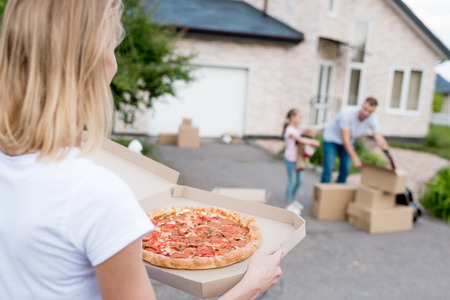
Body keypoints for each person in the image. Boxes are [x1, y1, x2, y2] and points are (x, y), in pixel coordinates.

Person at [0, 1, 283, 299]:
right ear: (93, 61)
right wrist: (252, 286)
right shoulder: (95, 195)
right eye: (112, 48)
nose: (115, 63)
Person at [320, 97, 394, 183]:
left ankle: (338, 193)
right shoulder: (347, 113)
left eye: (370, 112)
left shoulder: (372, 118)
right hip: (331, 140)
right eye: (365, 109)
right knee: (329, 168)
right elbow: (345, 139)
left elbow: (380, 139)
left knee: (345, 170)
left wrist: (391, 160)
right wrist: (355, 159)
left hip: (349, 141)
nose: (366, 113)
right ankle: (323, 193)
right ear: (362, 106)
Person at [283, 109, 320, 215]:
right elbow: (301, 140)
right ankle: (288, 204)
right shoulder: (289, 130)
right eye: (299, 117)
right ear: (293, 118)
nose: (300, 119)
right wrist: (314, 142)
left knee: (299, 181)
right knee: (292, 181)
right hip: (290, 160)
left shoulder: (297, 129)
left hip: (299, 160)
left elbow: (306, 135)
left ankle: (292, 200)